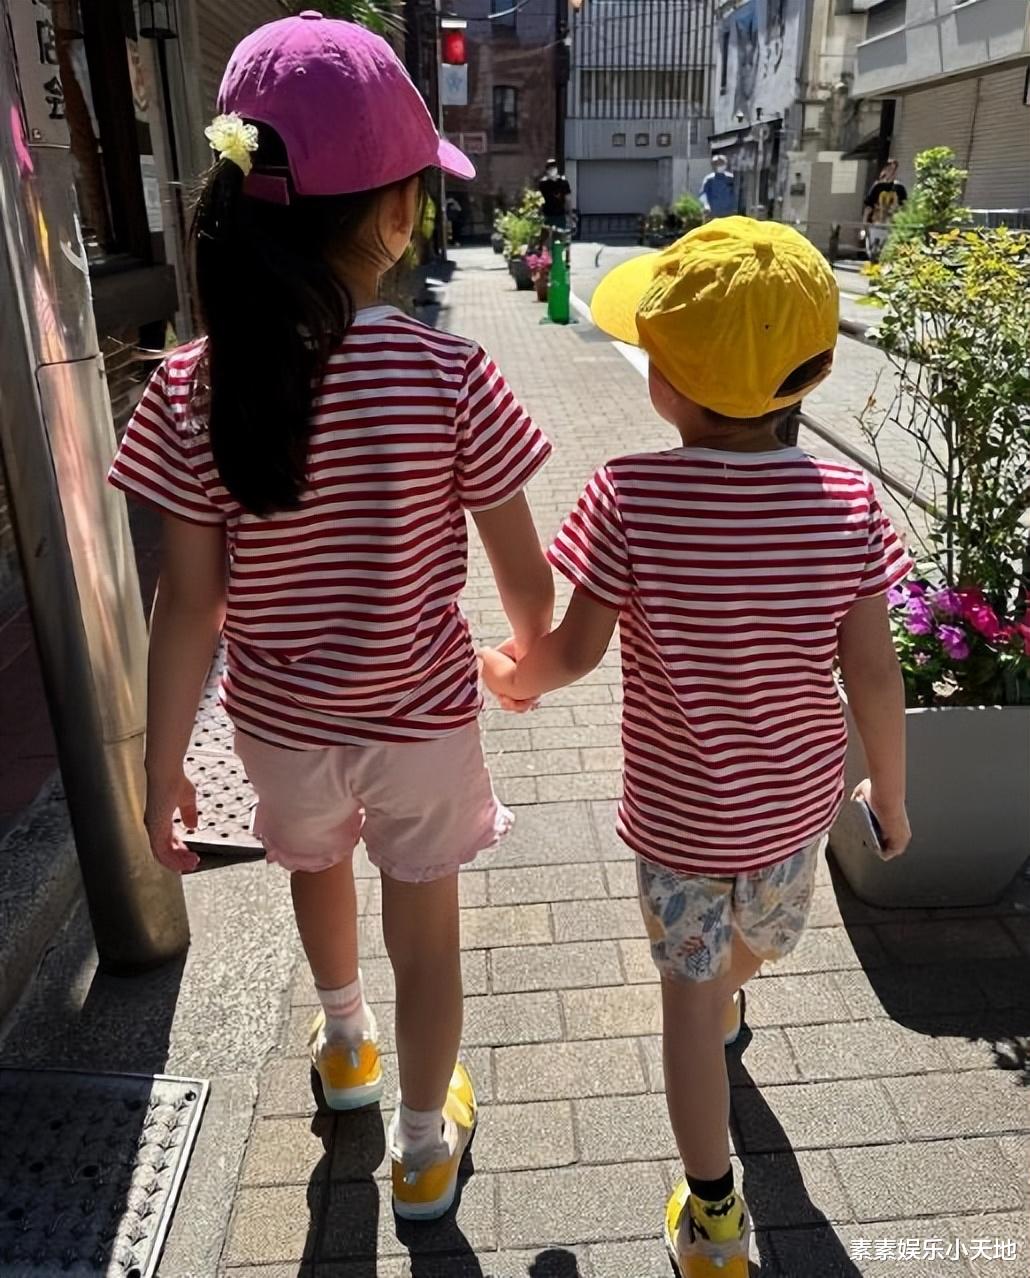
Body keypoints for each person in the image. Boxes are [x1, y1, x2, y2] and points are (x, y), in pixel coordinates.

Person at [109, 14, 554, 1224]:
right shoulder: (448, 375)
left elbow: (187, 603)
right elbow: (524, 581)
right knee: (428, 928)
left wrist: (161, 762)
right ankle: (421, 1146)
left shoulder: (191, 385)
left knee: (315, 864)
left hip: (278, 727)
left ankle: (346, 1045)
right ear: (399, 214)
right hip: (421, 721)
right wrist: (526, 660)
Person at [480, 217, 912, 1276]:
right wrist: (891, 798)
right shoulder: (848, 503)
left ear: (666, 384)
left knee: (689, 994)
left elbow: (576, 650)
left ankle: (714, 1219)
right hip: (795, 810)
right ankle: (724, 994)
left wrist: (512, 677)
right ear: (813, 370)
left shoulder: (629, 494)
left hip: (677, 818)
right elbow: (873, 675)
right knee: (756, 949)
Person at [862, 159, 908, 261]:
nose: (892, 172)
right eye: (889, 169)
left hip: (892, 224)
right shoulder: (877, 187)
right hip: (877, 223)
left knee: (889, 251)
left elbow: (904, 207)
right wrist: (864, 223)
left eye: (894, 169)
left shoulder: (900, 188)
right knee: (874, 250)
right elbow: (869, 205)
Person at [699, 154, 737, 220]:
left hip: (729, 213)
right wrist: (706, 205)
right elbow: (702, 194)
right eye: (716, 164)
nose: (718, 166)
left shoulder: (730, 178)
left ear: (725, 165)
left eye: (721, 163)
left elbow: (735, 193)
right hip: (713, 213)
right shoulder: (709, 179)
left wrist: (735, 206)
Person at [538, 157, 571, 229]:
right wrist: (540, 213)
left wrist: (569, 213)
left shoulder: (563, 182)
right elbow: (540, 199)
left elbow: (568, 199)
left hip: (560, 215)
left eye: (554, 168)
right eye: (550, 168)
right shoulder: (543, 183)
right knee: (548, 234)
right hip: (547, 215)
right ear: (547, 170)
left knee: (560, 234)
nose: (552, 170)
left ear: (556, 169)